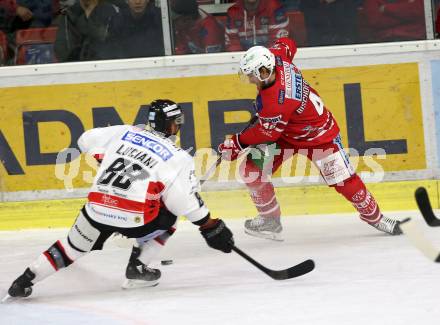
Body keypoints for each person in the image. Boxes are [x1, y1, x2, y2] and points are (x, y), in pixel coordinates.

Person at [5, 99, 234, 300]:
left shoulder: (125, 131)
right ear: (171, 125)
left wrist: (103, 157)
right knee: (170, 215)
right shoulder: (178, 157)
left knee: (70, 248)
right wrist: (209, 225)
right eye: (177, 121)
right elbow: (182, 202)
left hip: (96, 208)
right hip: (133, 219)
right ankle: (138, 268)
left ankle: (24, 281)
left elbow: (85, 139)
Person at [218, 37, 402, 241]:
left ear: (264, 71)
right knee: (252, 170)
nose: (251, 80)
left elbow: (267, 133)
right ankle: (270, 220)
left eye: (252, 75)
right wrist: (273, 49)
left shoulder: (276, 101)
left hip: (319, 137)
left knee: (344, 181)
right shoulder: (279, 58)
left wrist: (237, 142)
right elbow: (288, 42)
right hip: (286, 134)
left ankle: (376, 218)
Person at [54, 0, 121, 62]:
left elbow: (116, 52)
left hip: (107, 69)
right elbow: (63, 54)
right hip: (78, 70)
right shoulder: (69, 15)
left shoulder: (114, 12)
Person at [225, 0, 289, 52]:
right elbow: (232, 43)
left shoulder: (274, 7)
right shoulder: (233, 11)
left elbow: (278, 43)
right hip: (244, 59)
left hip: (270, 58)